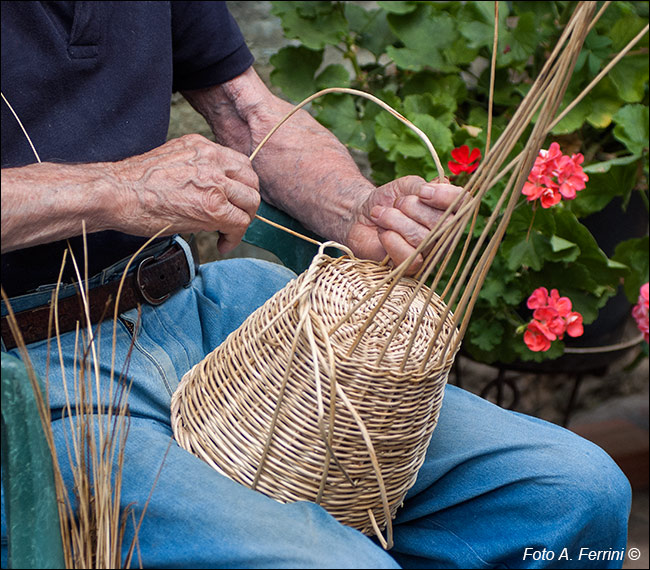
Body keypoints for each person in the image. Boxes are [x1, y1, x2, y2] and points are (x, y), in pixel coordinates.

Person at [1, 2, 631, 568]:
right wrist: (117, 189)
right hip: (29, 368)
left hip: (196, 311)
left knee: (573, 491)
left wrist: (355, 206)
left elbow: (245, 110)